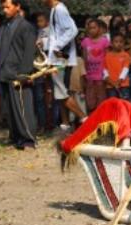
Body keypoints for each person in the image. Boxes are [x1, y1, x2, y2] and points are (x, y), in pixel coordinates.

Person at [0, 0, 37, 149]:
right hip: (5, 73)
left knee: (23, 108)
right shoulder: (4, 26)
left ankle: (28, 140)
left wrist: (24, 73)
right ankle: (15, 138)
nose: (4, 10)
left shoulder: (26, 27)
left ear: (17, 7)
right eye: (3, 7)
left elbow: (29, 52)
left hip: (18, 74)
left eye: (7, 7)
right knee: (10, 110)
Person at [43, 0, 87, 131]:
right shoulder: (55, 9)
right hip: (59, 59)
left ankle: (85, 120)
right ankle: (66, 124)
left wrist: (57, 46)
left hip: (61, 60)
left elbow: (72, 30)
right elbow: (57, 35)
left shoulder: (60, 10)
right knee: (59, 94)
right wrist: (46, 43)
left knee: (61, 93)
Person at [81, 19, 108, 113]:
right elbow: (84, 58)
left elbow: (107, 57)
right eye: (90, 28)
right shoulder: (85, 41)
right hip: (89, 75)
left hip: (101, 75)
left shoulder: (104, 41)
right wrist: (84, 73)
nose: (92, 30)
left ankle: (101, 118)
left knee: (101, 97)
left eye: (94, 27)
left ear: (99, 28)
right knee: (90, 99)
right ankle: (92, 118)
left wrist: (106, 74)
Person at [104, 33, 130, 100]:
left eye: (121, 42)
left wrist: (118, 82)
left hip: (123, 84)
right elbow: (104, 71)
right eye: (116, 42)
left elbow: (125, 69)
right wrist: (112, 83)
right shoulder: (107, 56)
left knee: (124, 104)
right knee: (113, 105)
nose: (119, 44)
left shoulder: (125, 55)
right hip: (110, 85)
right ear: (111, 43)